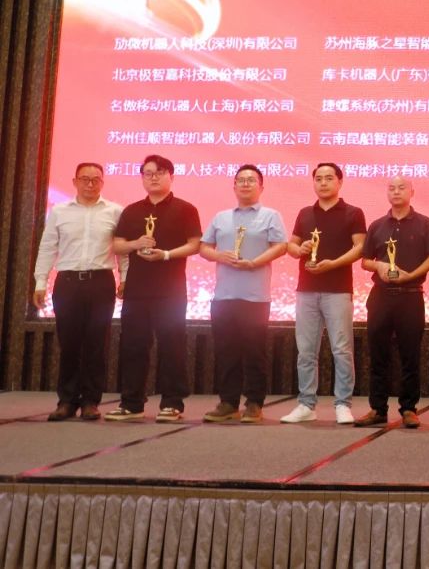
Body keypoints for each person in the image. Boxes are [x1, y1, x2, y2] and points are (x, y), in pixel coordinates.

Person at [106, 155, 201, 423]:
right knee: (133, 345)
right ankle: (131, 403)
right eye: (148, 173)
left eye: (159, 172)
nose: (153, 177)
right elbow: (117, 245)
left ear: (172, 176)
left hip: (171, 291)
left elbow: (195, 244)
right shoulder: (132, 210)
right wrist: (136, 244)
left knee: (172, 345)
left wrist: (166, 255)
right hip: (137, 290)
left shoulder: (185, 209)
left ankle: (172, 403)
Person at [33, 162, 125, 421]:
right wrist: (40, 282)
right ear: (75, 181)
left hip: (101, 282)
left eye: (96, 179)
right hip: (68, 283)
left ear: (102, 183)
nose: (90, 184)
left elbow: (122, 251)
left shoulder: (115, 211)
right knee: (69, 343)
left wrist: (125, 278)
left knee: (96, 342)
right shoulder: (59, 211)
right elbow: (47, 247)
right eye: (85, 179)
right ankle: (67, 400)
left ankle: (91, 401)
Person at [198, 165, 287, 423]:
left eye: (251, 180)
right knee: (226, 351)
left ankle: (254, 403)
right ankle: (228, 402)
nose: (246, 184)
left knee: (255, 352)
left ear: (261, 186)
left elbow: (281, 246)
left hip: (255, 296)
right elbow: (204, 248)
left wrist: (256, 262)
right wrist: (219, 256)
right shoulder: (221, 217)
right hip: (223, 296)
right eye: (241, 180)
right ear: (234, 186)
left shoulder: (271, 216)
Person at [281, 163, 366, 425]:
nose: (323, 183)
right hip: (306, 289)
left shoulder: (353, 212)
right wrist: (299, 249)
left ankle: (343, 404)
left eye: (329, 178)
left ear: (340, 182)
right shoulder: (305, 213)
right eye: (318, 178)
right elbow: (291, 245)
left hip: (338, 289)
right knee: (306, 350)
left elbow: (360, 247)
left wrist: (334, 264)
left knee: (342, 349)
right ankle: (306, 404)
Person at [355, 176, 429, 427]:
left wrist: (411, 276)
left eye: (402, 188)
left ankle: (409, 408)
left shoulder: (424, 223)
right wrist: (379, 266)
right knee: (378, 354)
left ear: (412, 192)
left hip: (411, 295)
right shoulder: (377, 225)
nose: (396, 192)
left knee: (410, 355)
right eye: (391, 188)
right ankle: (377, 408)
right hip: (381, 296)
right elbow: (365, 260)